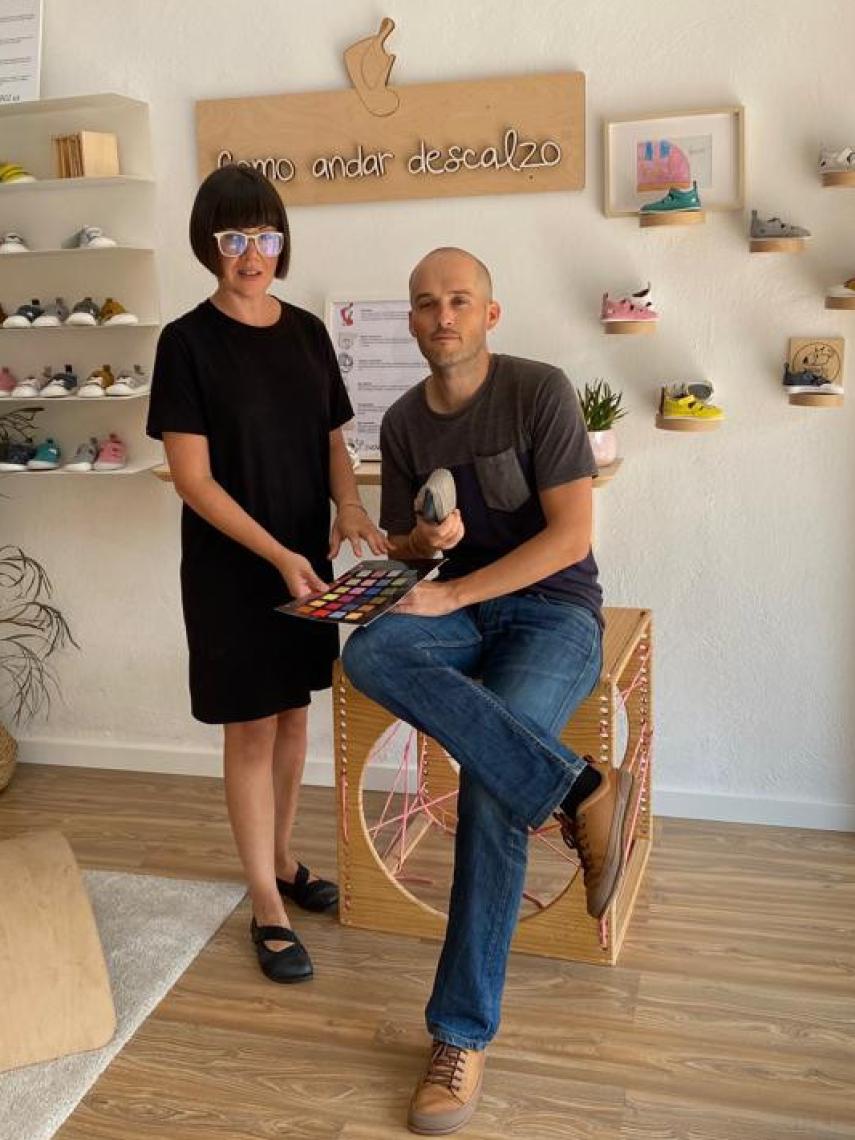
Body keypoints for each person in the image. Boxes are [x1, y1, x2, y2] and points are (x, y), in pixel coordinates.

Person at [342, 248, 634, 1135]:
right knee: (370, 653)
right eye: (425, 304)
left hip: (549, 613)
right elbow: (411, 548)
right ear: (411, 319)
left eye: (458, 300)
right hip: (456, 611)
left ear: (489, 314)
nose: (441, 317)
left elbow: (570, 535)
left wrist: (456, 588)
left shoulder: (538, 390)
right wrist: (421, 547)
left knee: (490, 793)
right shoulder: (398, 422)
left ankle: (460, 1035)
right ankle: (583, 788)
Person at [146, 165, 386, 984]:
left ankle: (283, 859)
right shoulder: (185, 342)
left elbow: (331, 438)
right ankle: (264, 901)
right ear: (208, 247)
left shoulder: (308, 332)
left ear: (283, 241)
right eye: (234, 239)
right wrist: (281, 556)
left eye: (265, 237)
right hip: (234, 568)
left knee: (291, 718)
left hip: (304, 563)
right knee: (249, 726)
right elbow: (193, 479)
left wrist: (348, 507)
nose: (253, 254)